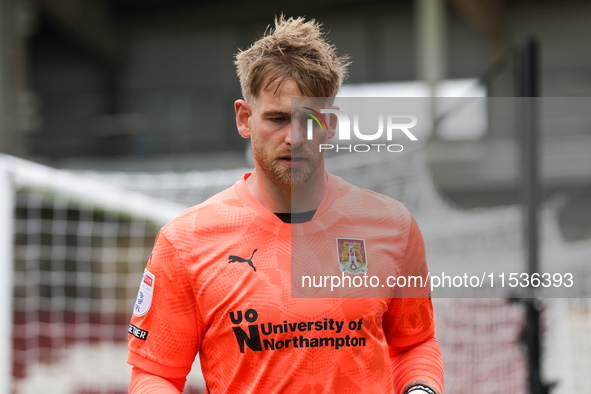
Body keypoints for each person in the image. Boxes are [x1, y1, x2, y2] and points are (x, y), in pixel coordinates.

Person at [127, 16, 444, 394]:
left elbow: (414, 343)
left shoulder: (392, 226)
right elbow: (155, 373)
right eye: (277, 118)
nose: (294, 137)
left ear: (331, 123)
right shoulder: (185, 242)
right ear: (245, 119)